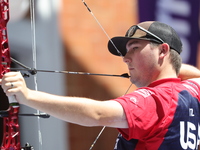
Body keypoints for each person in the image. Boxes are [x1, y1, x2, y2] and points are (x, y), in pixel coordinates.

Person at [1, 21, 200, 150]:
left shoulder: (155, 100)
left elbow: (97, 114)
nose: (125, 58)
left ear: (163, 51)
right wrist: (169, 70)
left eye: (135, 48)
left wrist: (27, 96)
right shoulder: (191, 91)